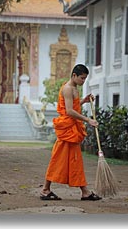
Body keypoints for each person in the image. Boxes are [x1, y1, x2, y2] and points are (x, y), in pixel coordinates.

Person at [40, 64, 102, 201]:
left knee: (73, 160)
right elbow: (68, 111)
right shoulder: (68, 89)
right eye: (82, 78)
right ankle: (45, 190)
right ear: (74, 75)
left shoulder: (74, 88)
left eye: (85, 79)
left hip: (71, 129)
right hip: (67, 129)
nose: (83, 81)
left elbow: (72, 106)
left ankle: (84, 191)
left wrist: (83, 101)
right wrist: (88, 120)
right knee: (58, 160)